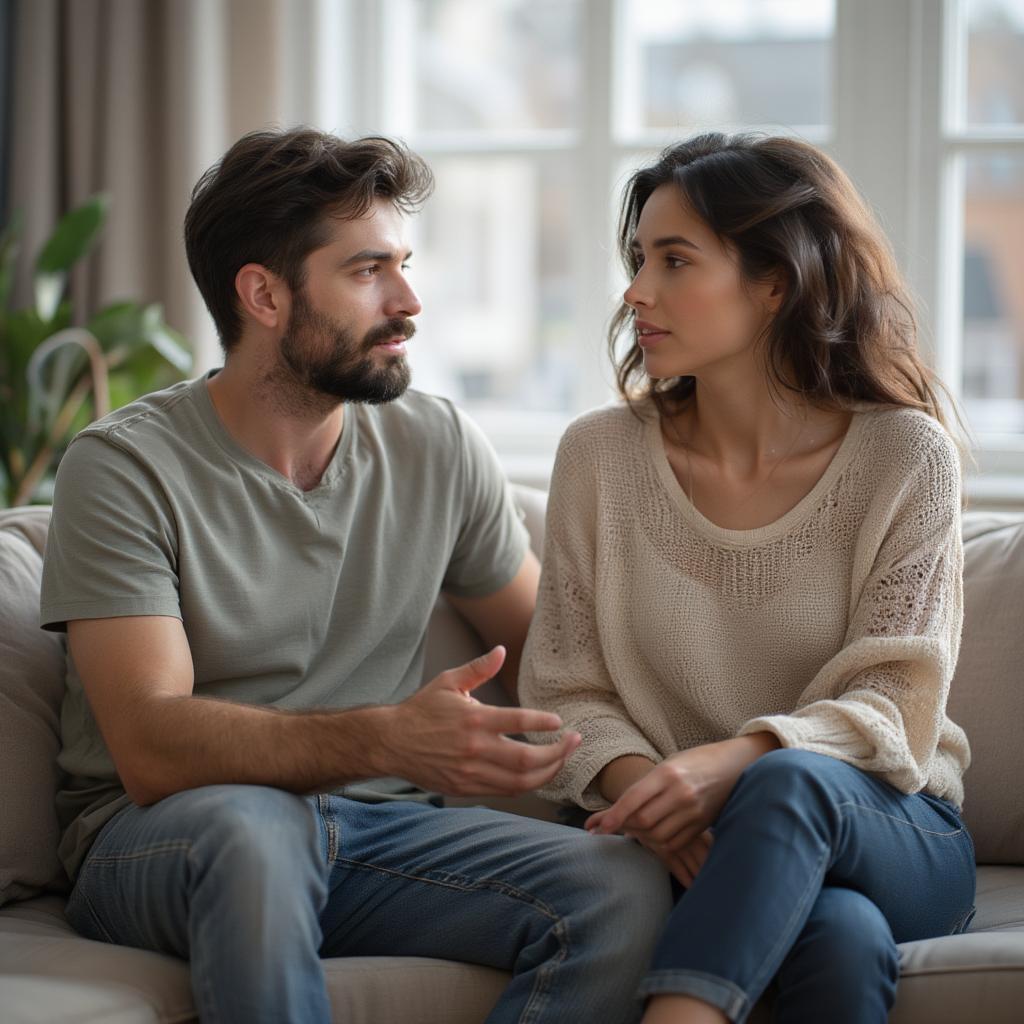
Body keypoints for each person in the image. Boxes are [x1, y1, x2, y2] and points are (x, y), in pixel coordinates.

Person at [39, 127, 672, 1024]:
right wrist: (384, 739)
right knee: (256, 832)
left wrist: (669, 781)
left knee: (621, 887)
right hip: (172, 838)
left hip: (376, 835)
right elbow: (149, 747)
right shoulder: (123, 467)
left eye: (403, 264)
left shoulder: (436, 444)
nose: (409, 301)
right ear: (262, 293)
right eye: (368, 270)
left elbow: (559, 656)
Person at [519, 132, 976, 1024]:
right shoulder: (599, 458)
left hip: (889, 829)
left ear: (777, 282)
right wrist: (661, 801)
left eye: (675, 260)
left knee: (786, 780)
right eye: (639, 258)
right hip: (673, 844)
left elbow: (894, 698)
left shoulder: (903, 456)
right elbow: (566, 687)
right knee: (841, 942)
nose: (636, 291)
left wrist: (733, 766)